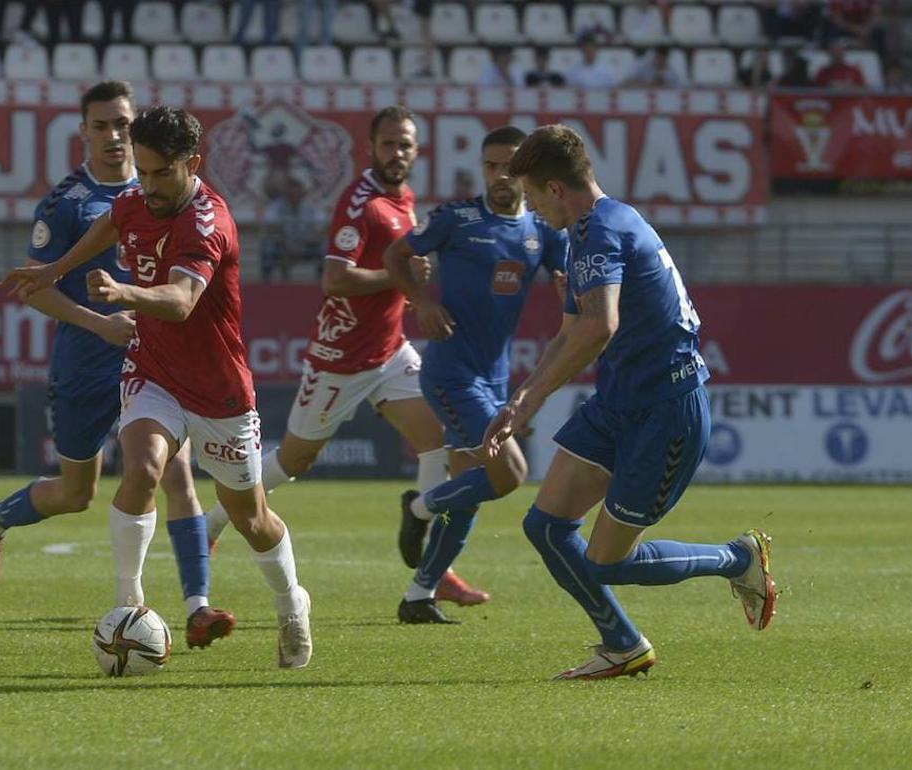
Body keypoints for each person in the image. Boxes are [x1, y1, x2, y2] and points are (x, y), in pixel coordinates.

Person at [5, 106, 313, 669]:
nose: (146, 186)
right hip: (153, 372)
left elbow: (181, 301)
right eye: (140, 173)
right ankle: (129, 605)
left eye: (159, 174)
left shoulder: (207, 221)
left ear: (192, 164)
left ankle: (292, 603)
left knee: (250, 517)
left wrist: (125, 293)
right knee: (143, 467)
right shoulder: (138, 197)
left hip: (219, 392)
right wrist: (55, 270)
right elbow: (113, 220)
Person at [485, 125, 777, 679]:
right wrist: (522, 401)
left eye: (530, 195)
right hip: (618, 403)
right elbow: (572, 330)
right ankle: (623, 645)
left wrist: (532, 400)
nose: (529, 208)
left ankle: (737, 559)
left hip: (665, 411)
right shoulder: (590, 230)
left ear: (552, 187)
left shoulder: (601, 231)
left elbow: (599, 326)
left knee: (607, 561)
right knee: (546, 525)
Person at [0, 83, 234, 651]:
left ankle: (198, 607)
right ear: (83, 132)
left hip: (157, 360)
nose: (114, 136)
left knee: (176, 475)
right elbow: (36, 288)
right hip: (87, 361)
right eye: (102, 125)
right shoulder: (66, 204)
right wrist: (99, 323)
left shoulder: (165, 187)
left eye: (122, 124)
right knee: (75, 492)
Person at [204, 105, 489, 608]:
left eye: (406, 144)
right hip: (341, 358)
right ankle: (214, 521)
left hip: (390, 352)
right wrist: (399, 276)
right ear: (371, 148)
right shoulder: (360, 203)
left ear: (415, 150)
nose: (397, 152)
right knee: (294, 461)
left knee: (437, 440)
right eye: (388, 144)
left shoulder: (403, 199)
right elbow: (335, 278)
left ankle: (432, 567)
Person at [383, 126, 569, 624]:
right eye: (491, 165)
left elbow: (567, 277)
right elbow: (396, 255)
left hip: (494, 378)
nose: (500, 175)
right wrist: (420, 301)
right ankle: (420, 508)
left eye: (510, 166)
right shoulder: (457, 219)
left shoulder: (541, 231)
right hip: (450, 374)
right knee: (509, 472)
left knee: (467, 496)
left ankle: (418, 595)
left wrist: (571, 289)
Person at [261, 176, 326, 281]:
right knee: (268, 246)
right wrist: (286, 243)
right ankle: (266, 283)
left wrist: (304, 243)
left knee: (323, 246)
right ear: (285, 194)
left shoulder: (312, 207)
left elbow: (320, 229)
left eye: (297, 192)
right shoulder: (276, 207)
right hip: (283, 247)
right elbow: (271, 228)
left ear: (302, 193)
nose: (294, 195)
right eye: (291, 193)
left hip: (306, 246)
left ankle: (322, 281)